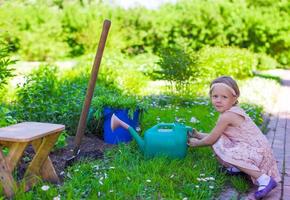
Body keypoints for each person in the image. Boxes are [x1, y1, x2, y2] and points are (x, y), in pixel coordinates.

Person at [187, 76, 281, 199]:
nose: (218, 100)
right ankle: (238, 169)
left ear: (234, 98)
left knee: (225, 150)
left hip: (258, 153)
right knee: (221, 142)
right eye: (215, 96)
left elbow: (211, 140)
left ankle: (264, 179)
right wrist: (198, 135)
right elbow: (216, 136)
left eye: (224, 97)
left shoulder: (227, 116)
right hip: (255, 149)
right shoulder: (231, 111)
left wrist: (196, 144)